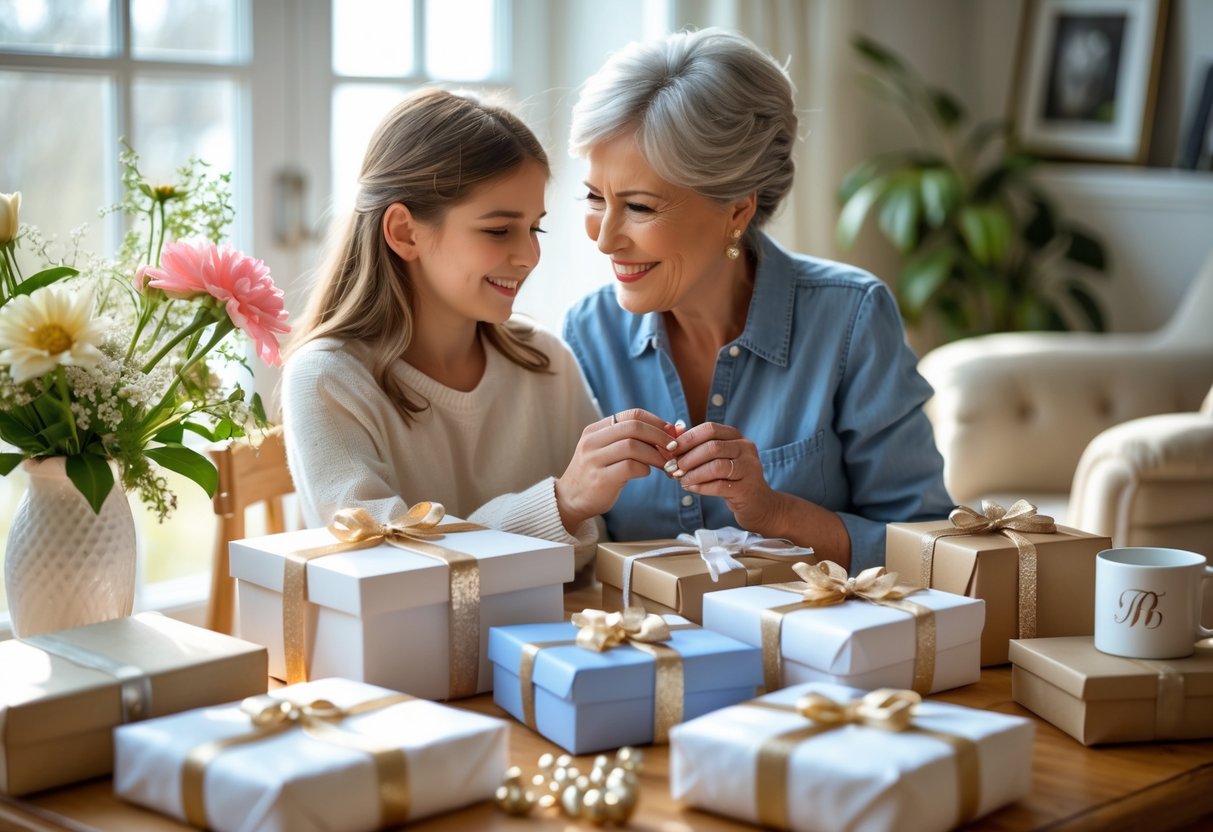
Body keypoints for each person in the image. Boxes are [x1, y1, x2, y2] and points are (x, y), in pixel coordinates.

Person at [562, 28, 953, 573]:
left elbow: (929, 547)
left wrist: (772, 510)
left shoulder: (851, 317)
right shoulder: (587, 333)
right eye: (593, 197)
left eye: (641, 207)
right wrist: (569, 498)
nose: (603, 238)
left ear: (738, 211)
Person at [282, 89, 674, 570]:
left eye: (536, 228)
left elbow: (595, 544)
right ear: (405, 232)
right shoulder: (327, 379)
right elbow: (384, 562)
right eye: (498, 230)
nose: (529, 256)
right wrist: (562, 504)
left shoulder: (546, 361)